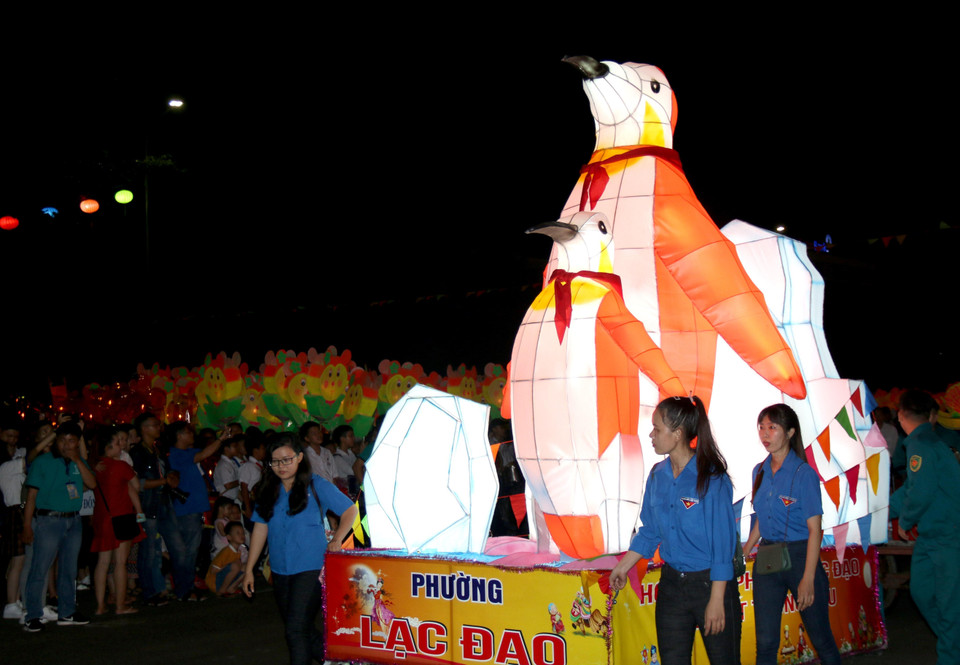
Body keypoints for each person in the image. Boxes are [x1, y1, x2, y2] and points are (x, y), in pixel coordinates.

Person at [610, 396, 741, 664]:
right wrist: (623, 566)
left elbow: (722, 546)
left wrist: (717, 599)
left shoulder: (712, 478)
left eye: (657, 429)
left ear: (678, 433)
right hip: (672, 586)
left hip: (710, 586)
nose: (651, 434)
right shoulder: (658, 475)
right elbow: (650, 532)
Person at [242, 433, 357, 665]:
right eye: (275, 461)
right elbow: (260, 529)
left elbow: (350, 511)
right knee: (299, 628)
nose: (281, 466)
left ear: (299, 457)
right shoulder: (267, 489)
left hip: (311, 566)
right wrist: (249, 569)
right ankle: (334, 659)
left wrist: (337, 538)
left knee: (295, 630)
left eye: (287, 459)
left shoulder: (315, 484)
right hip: (280, 568)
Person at [743, 404, 841, 665]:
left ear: (789, 432)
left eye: (772, 427)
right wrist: (745, 550)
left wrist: (808, 578)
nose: (765, 433)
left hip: (800, 557)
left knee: (821, 639)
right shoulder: (758, 471)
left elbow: (814, 530)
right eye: (761, 427)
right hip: (768, 556)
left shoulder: (804, 474)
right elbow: (763, 520)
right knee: (765, 642)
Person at [890, 390, 960, 665]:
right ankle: (953, 641)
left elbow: (920, 492)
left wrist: (905, 521)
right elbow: (910, 488)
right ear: (932, 416)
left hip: (949, 537)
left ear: (900, 416)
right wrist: (882, 510)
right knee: (922, 593)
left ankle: (951, 654)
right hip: (933, 538)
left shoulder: (922, 444)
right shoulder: (921, 443)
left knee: (947, 605)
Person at [21, 422, 97, 631]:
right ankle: (33, 614)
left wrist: (77, 461)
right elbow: (32, 496)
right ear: (56, 441)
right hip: (48, 520)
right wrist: (27, 526)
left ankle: (67, 611)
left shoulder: (78, 462)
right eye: (62, 440)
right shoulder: (43, 462)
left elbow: (92, 483)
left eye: (71, 440)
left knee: (68, 568)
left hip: (73, 520)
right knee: (40, 567)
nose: (66, 445)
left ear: (77, 442)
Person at [163, 421, 225, 601]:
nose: (192, 436)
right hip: (186, 509)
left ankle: (186, 588)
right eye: (188, 433)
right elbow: (204, 454)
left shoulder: (188, 452)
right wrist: (220, 439)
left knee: (191, 552)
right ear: (179, 436)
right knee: (186, 552)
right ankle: (184, 590)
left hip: (194, 508)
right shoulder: (175, 454)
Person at [91, 427, 145, 615]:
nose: (120, 447)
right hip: (121, 516)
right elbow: (136, 486)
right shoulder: (121, 466)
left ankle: (100, 605)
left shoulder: (96, 466)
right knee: (120, 563)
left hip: (102, 517)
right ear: (108, 447)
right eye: (116, 443)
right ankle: (120, 605)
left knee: (103, 562)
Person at [205, 520, 247, 596]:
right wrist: (229, 567)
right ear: (229, 537)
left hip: (223, 579)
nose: (242, 535)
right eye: (238, 533)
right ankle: (221, 591)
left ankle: (231, 587)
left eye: (243, 533)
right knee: (236, 565)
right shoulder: (226, 552)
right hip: (215, 582)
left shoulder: (238, 551)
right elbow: (213, 570)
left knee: (247, 566)